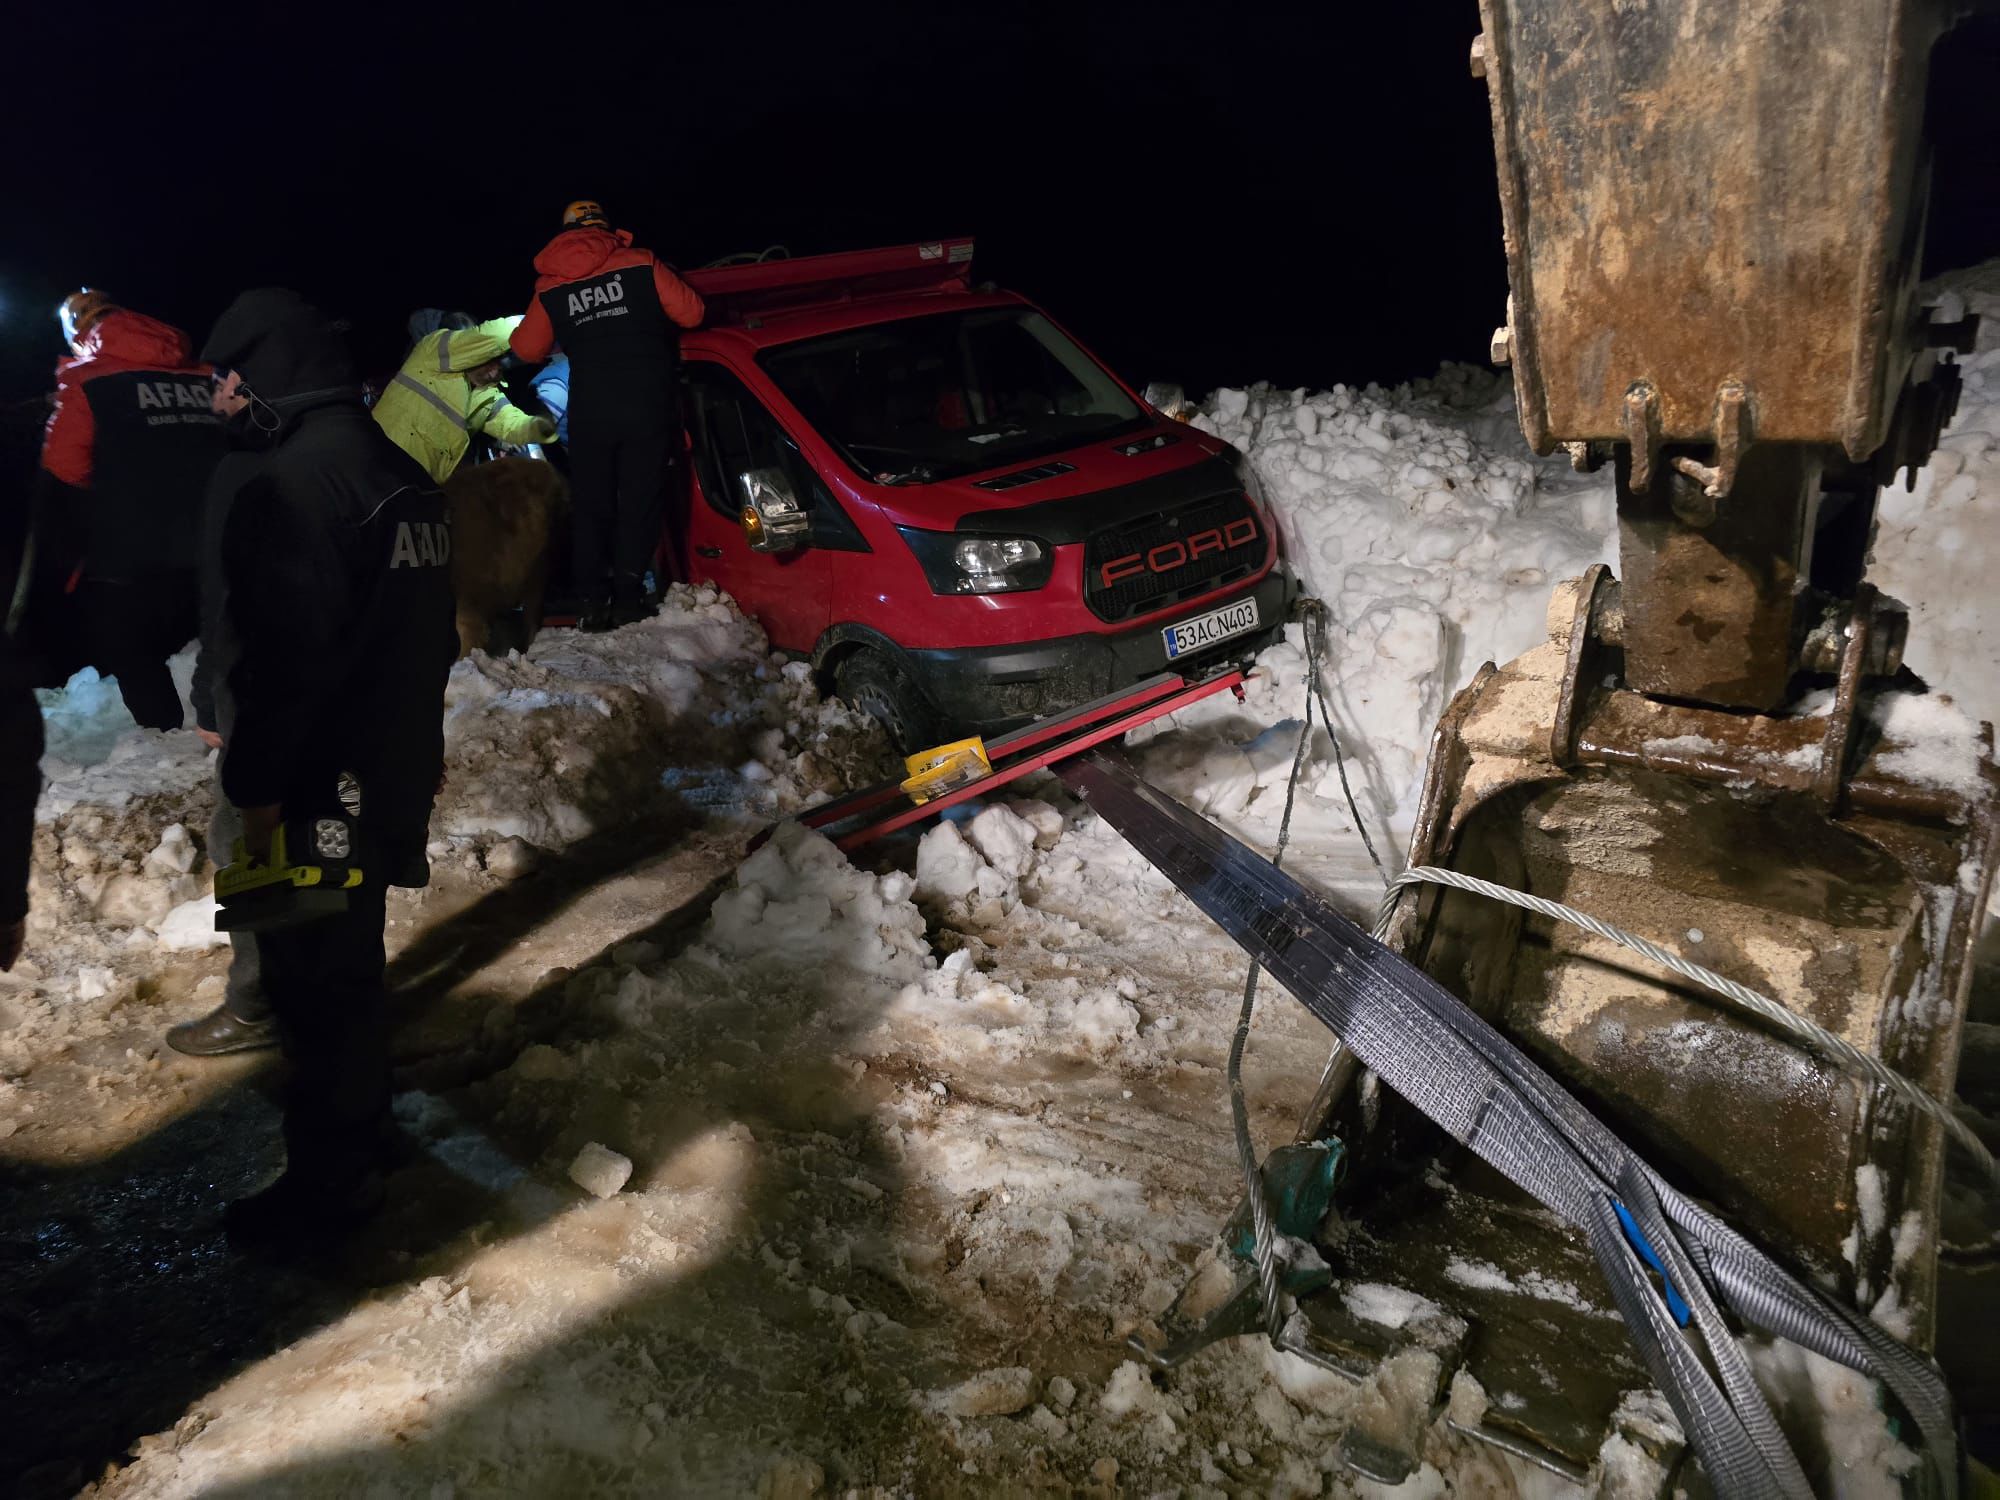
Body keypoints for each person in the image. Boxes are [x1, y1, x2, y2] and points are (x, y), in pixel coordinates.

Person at [198, 289, 457, 1246]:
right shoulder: (400, 469)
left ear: (270, 375)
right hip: (380, 769)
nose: (220, 398)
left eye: (228, 378)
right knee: (352, 962)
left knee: (310, 983)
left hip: (306, 787)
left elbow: (284, 663)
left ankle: (330, 1184)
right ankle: (369, 1132)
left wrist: (254, 794)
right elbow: (430, 638)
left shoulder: (295, 486)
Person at [510, 199, 704, 631]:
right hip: (647, 404)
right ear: (606, 227)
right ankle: (629, 599)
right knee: (639, 501)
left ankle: (591, 604)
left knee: (592, 506)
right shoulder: (640, 262)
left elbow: (525, 349)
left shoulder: (551, 285)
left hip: (591, 412)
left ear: (564, 234)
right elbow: (693, 312)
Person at [36, 290, 223, 730]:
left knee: (128, 645)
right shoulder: (204, 375)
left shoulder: (88, 379)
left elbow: (65, 466)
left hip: (131, 555)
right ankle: (227, 721)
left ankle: (164, 735)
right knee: (223, 635)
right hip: (220, 541)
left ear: (78, 332)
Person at [164, 424, 278, 1057]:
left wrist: (210, 693)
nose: (216, 393)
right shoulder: (367, 455)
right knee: (333, 836)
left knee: (241, 839)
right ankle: (331, 993)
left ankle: (257, 1004)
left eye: (229, 378)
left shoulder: (243, 469)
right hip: (350, 692)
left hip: (268, 690)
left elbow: (225, 592)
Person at [373, 316, 556, 485]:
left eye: (500, 367)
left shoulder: (489, 396)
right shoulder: (431, 353)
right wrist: (536, 319)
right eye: (489, 363)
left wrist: (542, 428)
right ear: (474, 354)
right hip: (378, 460)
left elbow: (512, 424)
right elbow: (490, 336)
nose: (493, 373)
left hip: (420, 485)